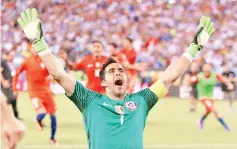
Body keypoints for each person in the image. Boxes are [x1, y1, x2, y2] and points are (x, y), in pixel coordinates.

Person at [17, 8, 215, 149]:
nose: (118, 73)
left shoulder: (141, 101)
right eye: (112, 71)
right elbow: (59, 74)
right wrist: (39, 43)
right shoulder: (89, 100)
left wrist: (194, 47)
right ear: (103, 82)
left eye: (120, 70)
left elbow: (168, 78)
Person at [12, 47, 57, 144]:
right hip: (34, 92)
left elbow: (51, 74)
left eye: (37, 47)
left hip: (46, 92)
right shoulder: (27, 62)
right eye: (33, 47)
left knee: (53, 116)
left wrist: (52, 77)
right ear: (31, 50)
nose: (36, 49)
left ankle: (52, 138)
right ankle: (38, 120)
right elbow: (16, 74)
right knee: (42, 113)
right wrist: (15, 89)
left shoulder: (45, 61)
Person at [191, 63, 233, 131]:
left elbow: (223, 79)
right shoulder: (199, 76)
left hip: (211, 97)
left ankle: (200, 121)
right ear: (203, 68)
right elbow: (191, 83)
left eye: (209, 67)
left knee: (208, 111)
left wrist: (229, 84)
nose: (208, 68)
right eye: (206, 67)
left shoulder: (214, 75)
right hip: (203, 97)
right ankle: (226, 126)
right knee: (214, 110)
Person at [1, 51, 19, 119]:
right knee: (10, 98)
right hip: (5, 84)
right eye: (11, 55)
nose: (12, 57)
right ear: (7, 55)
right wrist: (3, 82)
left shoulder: (8, 62)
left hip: (9, 83)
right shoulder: (2, 62)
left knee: (14, 98)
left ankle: (15, 115)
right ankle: (3, 113)